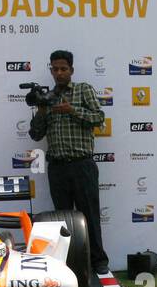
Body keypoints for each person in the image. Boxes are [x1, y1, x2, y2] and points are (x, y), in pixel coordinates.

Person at [28, 49, 110, 274]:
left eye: (63, 69)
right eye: (55, 69)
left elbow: (99, 118)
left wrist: (72, 110)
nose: (59, 73)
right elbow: (36, 134)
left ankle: (98, 261)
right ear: (51, 70)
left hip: (82, 164)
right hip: (57, 167)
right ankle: (70, 262)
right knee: (63, 218)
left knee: (89, 215)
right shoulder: (47, 98)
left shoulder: (84, 89)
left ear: (71, 70)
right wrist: (42, 111)